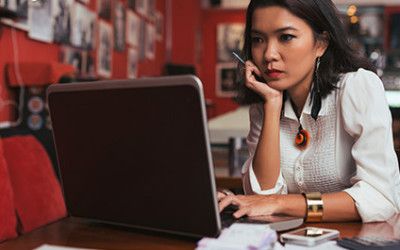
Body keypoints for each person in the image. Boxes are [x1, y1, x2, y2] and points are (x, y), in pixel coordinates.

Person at [218, 0, 400, 223]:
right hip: (293, 241)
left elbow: (380, 199)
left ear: (321, 43)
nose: (268, 54)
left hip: (355, 241)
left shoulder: (357, 87)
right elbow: (262, 200)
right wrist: (273, 104)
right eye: (258, 40)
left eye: (285, 37)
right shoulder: (264, 105)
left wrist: (281, 202)